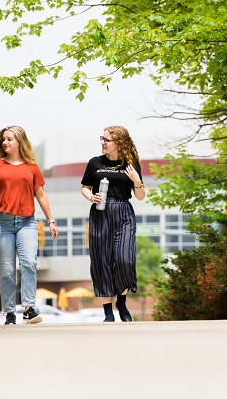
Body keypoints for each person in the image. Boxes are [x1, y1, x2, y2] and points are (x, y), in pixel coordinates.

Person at [0, 125, 59, 325]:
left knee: (29, 263)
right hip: (1, 222)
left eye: (10, 139)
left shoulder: (31, 167)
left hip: (27, 223)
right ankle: (9, 313)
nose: (5, 142)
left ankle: (29, 309)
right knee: (7, 269)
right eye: (4, 139)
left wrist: (51, 220)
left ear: (19, 142)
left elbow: (41, 194)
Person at [80, 126, 146, 322]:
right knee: (102, 261)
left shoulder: (131, 164)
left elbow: (140, 196)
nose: (103, 142)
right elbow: (84, 187)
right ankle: (108, 312)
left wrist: (136, 180)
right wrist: (91, 196)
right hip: (100, 213)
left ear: (119, 142)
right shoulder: (95, 163)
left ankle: (122, 301)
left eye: (107, 139)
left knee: (125, 259)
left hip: (124, 212)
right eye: (102, 138)